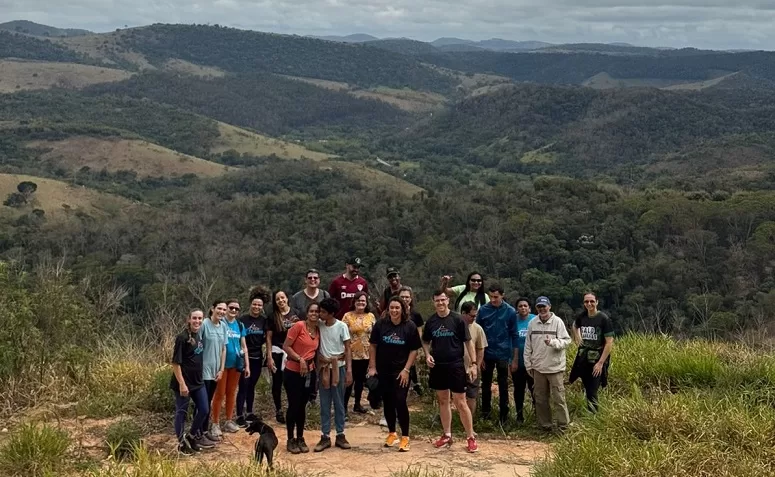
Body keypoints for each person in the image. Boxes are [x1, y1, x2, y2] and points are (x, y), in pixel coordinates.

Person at [422, 290, 479, 453]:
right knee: (442, 400)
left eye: (443, 300)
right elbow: (425, 341)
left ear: (448, 300)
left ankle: (470, 437)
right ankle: (447, 435)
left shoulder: (457, 319)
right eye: (437, 301)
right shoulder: (431, 321)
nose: (440, 303)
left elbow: (468, 343)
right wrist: (427, 355)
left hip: (455, 365)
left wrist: (473, 364)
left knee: (460, 401)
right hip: (438, 365)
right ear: (433, 302)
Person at [368, 296, 421, 452]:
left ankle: (405, 437)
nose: (394, 310)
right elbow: (373, 345)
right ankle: (392, 433)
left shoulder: (409, 326)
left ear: (403, 309)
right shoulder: (381, 324)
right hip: (383, 370)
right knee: (388, 402)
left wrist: (406, 370)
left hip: (401, 371)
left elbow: (414, 350)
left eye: (397, 308)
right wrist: (372, 367)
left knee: (400, 401)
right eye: (392, 307)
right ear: (388, 309)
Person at [170, 310, 217, 454]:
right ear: (189, 320)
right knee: (181, 412)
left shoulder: (199, 336)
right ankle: (182, 444)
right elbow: (176, 364)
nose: (197, 321)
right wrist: (182, 384)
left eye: (200, 318)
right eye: (194, 318)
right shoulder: (182, 338)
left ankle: (191, 437)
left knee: (204, 409)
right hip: (184, 383)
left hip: (198, 381)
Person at [524, 296, 571, 432]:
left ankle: (563, 427)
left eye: (544, 306)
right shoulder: (532, 323)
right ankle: (545, 426)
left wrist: (553, 342)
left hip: (555, 368)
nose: (542, 309)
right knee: (540, 399)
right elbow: (528, 346)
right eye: (539, 307)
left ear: (549, 306)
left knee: (559, 399)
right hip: (538, 368)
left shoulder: (557, 322)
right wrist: (528, 364)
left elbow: (567, 341)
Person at [475, 283, 519, 424]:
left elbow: (514, 335)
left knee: (503, 385)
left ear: (502, 295)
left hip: (503, 352)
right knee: (486, 384)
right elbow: (478, 333)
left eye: (496, 297)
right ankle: (485, 414)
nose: (493, 299)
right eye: (491, 297)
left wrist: (514, 358)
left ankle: (504, 417)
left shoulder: (510, 311)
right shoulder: (483, 310)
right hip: (487, 352)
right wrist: (479, 357)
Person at [314, 298, 353, 452]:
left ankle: (340, 434)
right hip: (324, 368)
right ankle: (324, 436)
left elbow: (348, 348)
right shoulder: (319, 326)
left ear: (331, 313)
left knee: (339, 402)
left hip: (339, 367)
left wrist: (349, 370)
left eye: (323, 312)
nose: (320, 314)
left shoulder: (342, 326)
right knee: (324, 403)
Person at [282, 302, 321, 454]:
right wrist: (300, 359)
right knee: (293, 405)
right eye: (311, 311)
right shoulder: (298, 326)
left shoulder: (317, 330)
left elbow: (315, 352)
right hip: (293, 371)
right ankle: (290, 439)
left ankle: (300, 437)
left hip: (309, 373)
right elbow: (286, 346)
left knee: (302, 406)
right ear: (307, 312)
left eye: (317, 311)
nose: (314, 314)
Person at [210, 299, 250, 435]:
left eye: (236, 309)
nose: (233, 310)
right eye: (231, 308)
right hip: (222, 365)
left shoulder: (240, 325)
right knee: (219, 394)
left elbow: (244, 346)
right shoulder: (221, 323)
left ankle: (228, 420)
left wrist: (247, 365)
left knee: (231, 393)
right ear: (226, 309)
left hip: (236, 364)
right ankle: (215, 423)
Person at [570, 292, 614, 412]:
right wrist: (578, 338)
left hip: (598, 358)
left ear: (597, 302)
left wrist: (600, 363)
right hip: (584, 357)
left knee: (593, 388)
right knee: (587, 386)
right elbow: (575, 325)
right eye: (586, 301)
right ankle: (591, 414)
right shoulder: (583, 316)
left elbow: (609, 342)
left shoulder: (603, 319)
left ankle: (594, 416)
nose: (589, 304)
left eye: (592, 301)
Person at [291, 269, 330, 403]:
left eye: (315, 278)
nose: (312, 280)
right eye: (310, 278)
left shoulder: (325, 295)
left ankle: (315, 394)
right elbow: (293, 317)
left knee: (319, 363)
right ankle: (303, 394)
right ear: (305, 280)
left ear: (319, 280)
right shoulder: (297, 297)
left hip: (321, 333)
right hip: (302, 335)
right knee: (305, 363)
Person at [266, 290, 302, 423]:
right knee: (277, 382)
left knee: (292, 382)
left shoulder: (297, 314)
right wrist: (269, 356)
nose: (281, 301)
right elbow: (269, 337)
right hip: (277, 352)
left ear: (287, 298)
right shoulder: (272, 316)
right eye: (277, 299)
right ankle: (279, 410)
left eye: (283, 298)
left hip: (294, 353)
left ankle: (293, 408)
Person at [236, 290, 268, 427]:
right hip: (245, 357)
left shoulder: (263, 321)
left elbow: (266, 338)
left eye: (259, 305)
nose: (257, 307)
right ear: (250, 304)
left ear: (262, 307)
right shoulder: (242, 320)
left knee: (252, 386)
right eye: (255, 304)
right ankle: (239, 414)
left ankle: (249, 412)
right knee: (243, 386)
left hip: (257, 357)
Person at [341, 291, 376, 413]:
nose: (361, 303)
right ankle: (343, 407)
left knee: (360, 382)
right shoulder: (347, 316)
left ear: (366, 303)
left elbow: (375, 335)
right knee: (349, 382)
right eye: (359, 300)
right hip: (351, 354)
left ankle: (357, 404)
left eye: (363, 301)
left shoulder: (371, 316)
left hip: (366, 354)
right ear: (354, 302)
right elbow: (342, 334)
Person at [200, 300, 228, 441]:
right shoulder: (204, 324)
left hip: (215, 372)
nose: (222, 312)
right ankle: (198, 433)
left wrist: (221, 370)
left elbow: (224, 349)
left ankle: (204, 432)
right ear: (213, 309)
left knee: (208, 401)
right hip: (203, 370)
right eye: (219, 309)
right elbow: (197, 346)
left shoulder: (223, 326)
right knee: (202, 404)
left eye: (224, 310)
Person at [460, 302, 487, 417]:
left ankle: (470, 420)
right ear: (463, 313)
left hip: (471, 368)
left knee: (472, 395)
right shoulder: (455, 325)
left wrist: (476, 366)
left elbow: (481, 349)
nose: (474, 318)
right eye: (471, 316)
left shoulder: (478, 328)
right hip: (456, 367)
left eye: (475, 316)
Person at [512, 297, 536, 423]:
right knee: (518, 390)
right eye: (520, 306)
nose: (523, 308)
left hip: (533, 364)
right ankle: (519, 416)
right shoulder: (513, 321)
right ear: (517, 309)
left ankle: (537, 416)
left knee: (535, 390)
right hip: (517, 363)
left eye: (525, 306)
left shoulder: (535, 320)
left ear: (529, 308)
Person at [397, 286, 424, 395]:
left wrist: (416, 346)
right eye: (402, 296)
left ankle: (414, 386)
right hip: (396, 347)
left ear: (411, 298)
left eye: (407, 297)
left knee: (410, 366)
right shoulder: (392, 311)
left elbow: (419, 331)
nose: (405, 299)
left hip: (410, 347)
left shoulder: (416, 315)